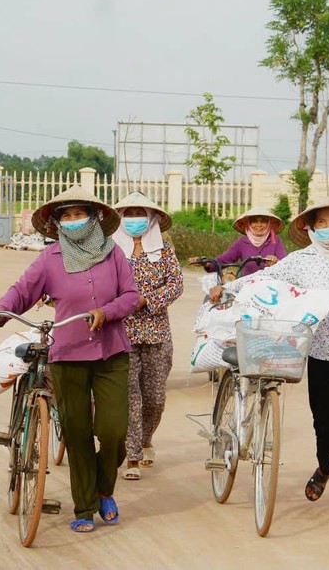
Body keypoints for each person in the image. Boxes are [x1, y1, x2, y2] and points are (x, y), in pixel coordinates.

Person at [210, 201, 329, 523]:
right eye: (321, 222)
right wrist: (226, 287)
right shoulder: (300, 261)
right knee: (326, 422)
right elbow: (263, 278)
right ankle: (325, 465)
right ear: (309, 228)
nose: (328, 227)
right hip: (322, 353)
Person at [0, 185, 139, 533]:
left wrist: (106, 311)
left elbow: (131, 295)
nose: (73, 221)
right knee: (78, 432)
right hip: (67, 355)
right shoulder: (49, 259)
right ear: (57, 223)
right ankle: (84, 507)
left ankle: (102, 489)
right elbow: (23, 290)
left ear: (93, 217)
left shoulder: (114, 254)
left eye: (79, 214)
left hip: (112, 352)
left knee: (114, 431)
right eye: (65, 216)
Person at [111, 192, 183, 480]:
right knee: (131, 397)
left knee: (155, 398)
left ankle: (146, 438)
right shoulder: (111, 250)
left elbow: (176, 284)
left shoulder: (164, 250)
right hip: (121, 332)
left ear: (151, 218)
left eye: (139, 213)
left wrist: (147, 300)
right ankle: (132, 457)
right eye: (128, 213)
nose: (134, 219)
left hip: (156, 333)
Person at [188, 206, 287, 276]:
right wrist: (206, 263)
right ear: (249, 224)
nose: (259, 225)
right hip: (246, 286)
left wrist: (276, 261)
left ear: (268, 223)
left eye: (263, 221)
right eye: (255, 221)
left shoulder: (275, 241)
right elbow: (223, 260)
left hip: (270, 286)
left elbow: (286, 264)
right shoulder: (242, 242)